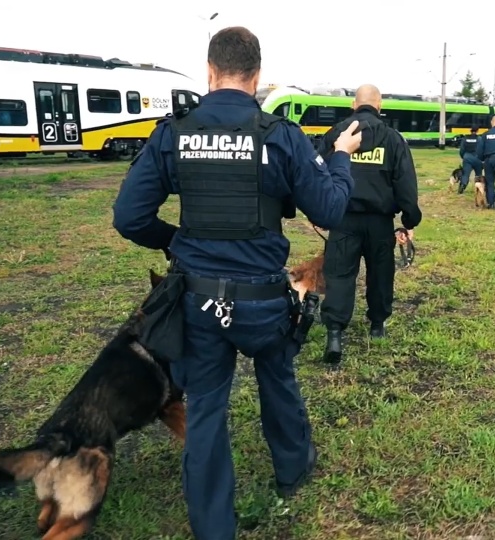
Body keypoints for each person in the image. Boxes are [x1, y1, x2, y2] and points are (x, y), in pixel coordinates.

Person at [111, 26, 364, 540]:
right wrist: (340, 156)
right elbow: (332, 208)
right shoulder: (279, 134)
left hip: (198, 302)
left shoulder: (174, 133)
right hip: (263, 300)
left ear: (209, 72)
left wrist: (176, 240)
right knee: (278, 380)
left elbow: (129, 217)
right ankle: (292, 471)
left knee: (205, 407)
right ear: (257, 76)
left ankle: (212, 526)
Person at [314, 84, 422, 367]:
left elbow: (316, 174)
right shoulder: (393, 139)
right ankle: (377, 325)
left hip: (342, 220)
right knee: (381, 274)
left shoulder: (336, 134)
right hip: (380, 223)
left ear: (353, 105)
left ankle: (335, 334)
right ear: (380, 105)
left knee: (339, 275)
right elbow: (406, 185)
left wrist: (318, 211)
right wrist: (409, 220)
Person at [457, 126, 483, 194]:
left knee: (465, 174)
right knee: (478, 175)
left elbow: (461, 150)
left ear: (470, 131)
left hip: (467, 158)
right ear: (477, 131)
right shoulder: (480, 139)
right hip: (477, 158)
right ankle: (478, 189)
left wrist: (464, 157)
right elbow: (482, 149)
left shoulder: (465, 138)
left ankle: (463, 185)